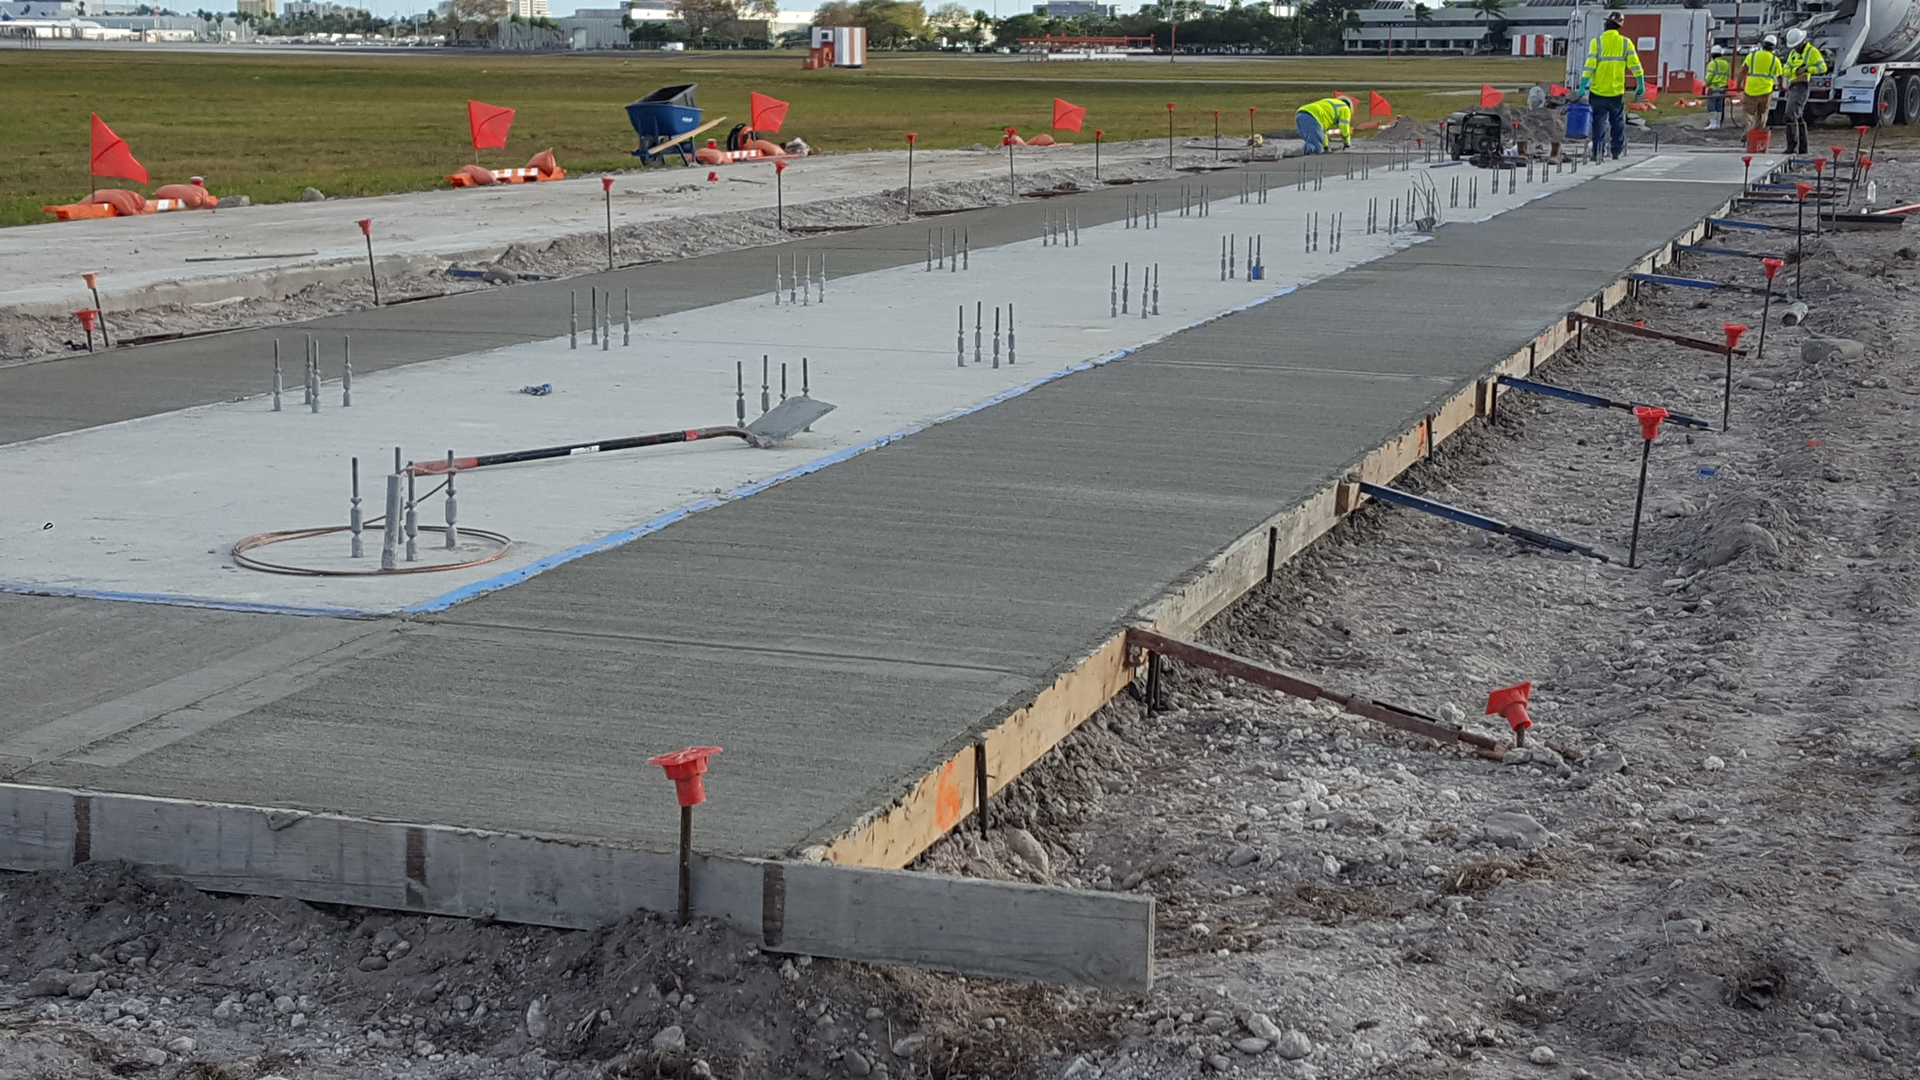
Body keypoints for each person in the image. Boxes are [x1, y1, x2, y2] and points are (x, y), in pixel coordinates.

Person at [1580, 11, 1646, 160]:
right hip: (1616, 91)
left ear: (1606, 24)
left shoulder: (1596, 42)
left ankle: (1597, 151)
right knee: (1617, 122)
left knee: (1598, 122)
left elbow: (1590, 65)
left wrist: (1584, 84)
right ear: (1620, 26)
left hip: (1597, 90)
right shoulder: (1625, 43)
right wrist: (1640, 82)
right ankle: (1616, 151)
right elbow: (1635, 65)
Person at [1783, 27, 1829, 153]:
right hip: (1793, 86)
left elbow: (1822, 67)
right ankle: (1802, 148)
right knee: (1798, 116)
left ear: (1802, 41)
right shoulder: (1793, 54)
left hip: (1802, 86)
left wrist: (1808, 69)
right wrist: (1795, 71)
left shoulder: (1812, 52)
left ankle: (1792, 146)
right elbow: (1785, 69)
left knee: (1790, 115)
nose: (1795, 47)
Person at [1744, 35, 1788, 135]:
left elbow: (1743, 71)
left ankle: (1749, 131)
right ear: (1774, 47)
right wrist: (1781, 86)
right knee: (1762, 113)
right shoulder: (1775, 60)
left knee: (1749, 112)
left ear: (1763, 44)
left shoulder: (1752, 56)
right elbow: (1780, 76)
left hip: (1751, 89)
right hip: (1766, 90)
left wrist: (1738, 85)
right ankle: (1758, 133)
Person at [1705, 45, 1732, 131]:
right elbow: (1727, 76)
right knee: (1720, 105)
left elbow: (1709, 76)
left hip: (1713, 87)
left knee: (1711, 105)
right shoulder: (1726, 64)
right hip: (1723, 88)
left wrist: (1705, 85)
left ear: (1712, 55)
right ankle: (1718, 123)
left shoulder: (1713, 64)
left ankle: (1713, 123)